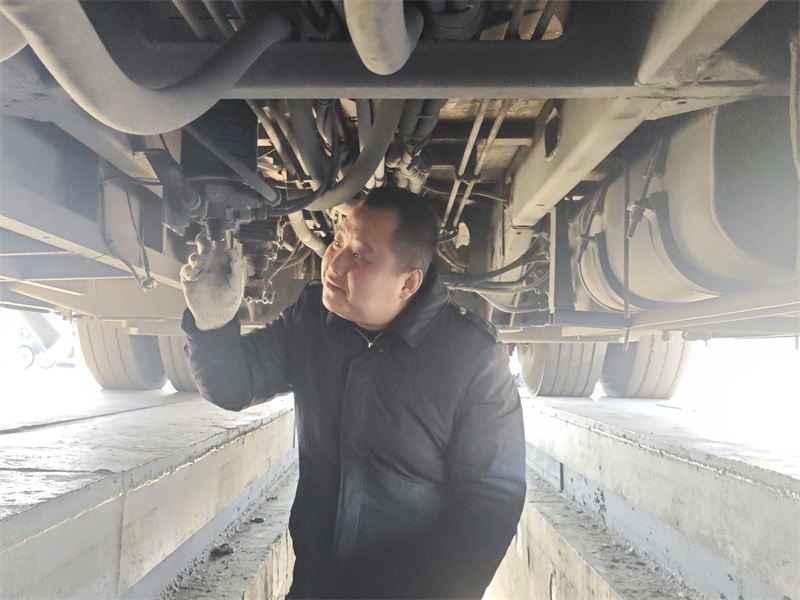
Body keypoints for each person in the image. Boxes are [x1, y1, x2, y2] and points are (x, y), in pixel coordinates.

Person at [180, 188, 527, 599]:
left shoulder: (471, 356)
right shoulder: (311, 318)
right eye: (338, 241)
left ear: (408, 283)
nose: (335, 263)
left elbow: (492, 498)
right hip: (315, 585)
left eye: (360, 256)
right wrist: (212, 323)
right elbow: (234, 385)